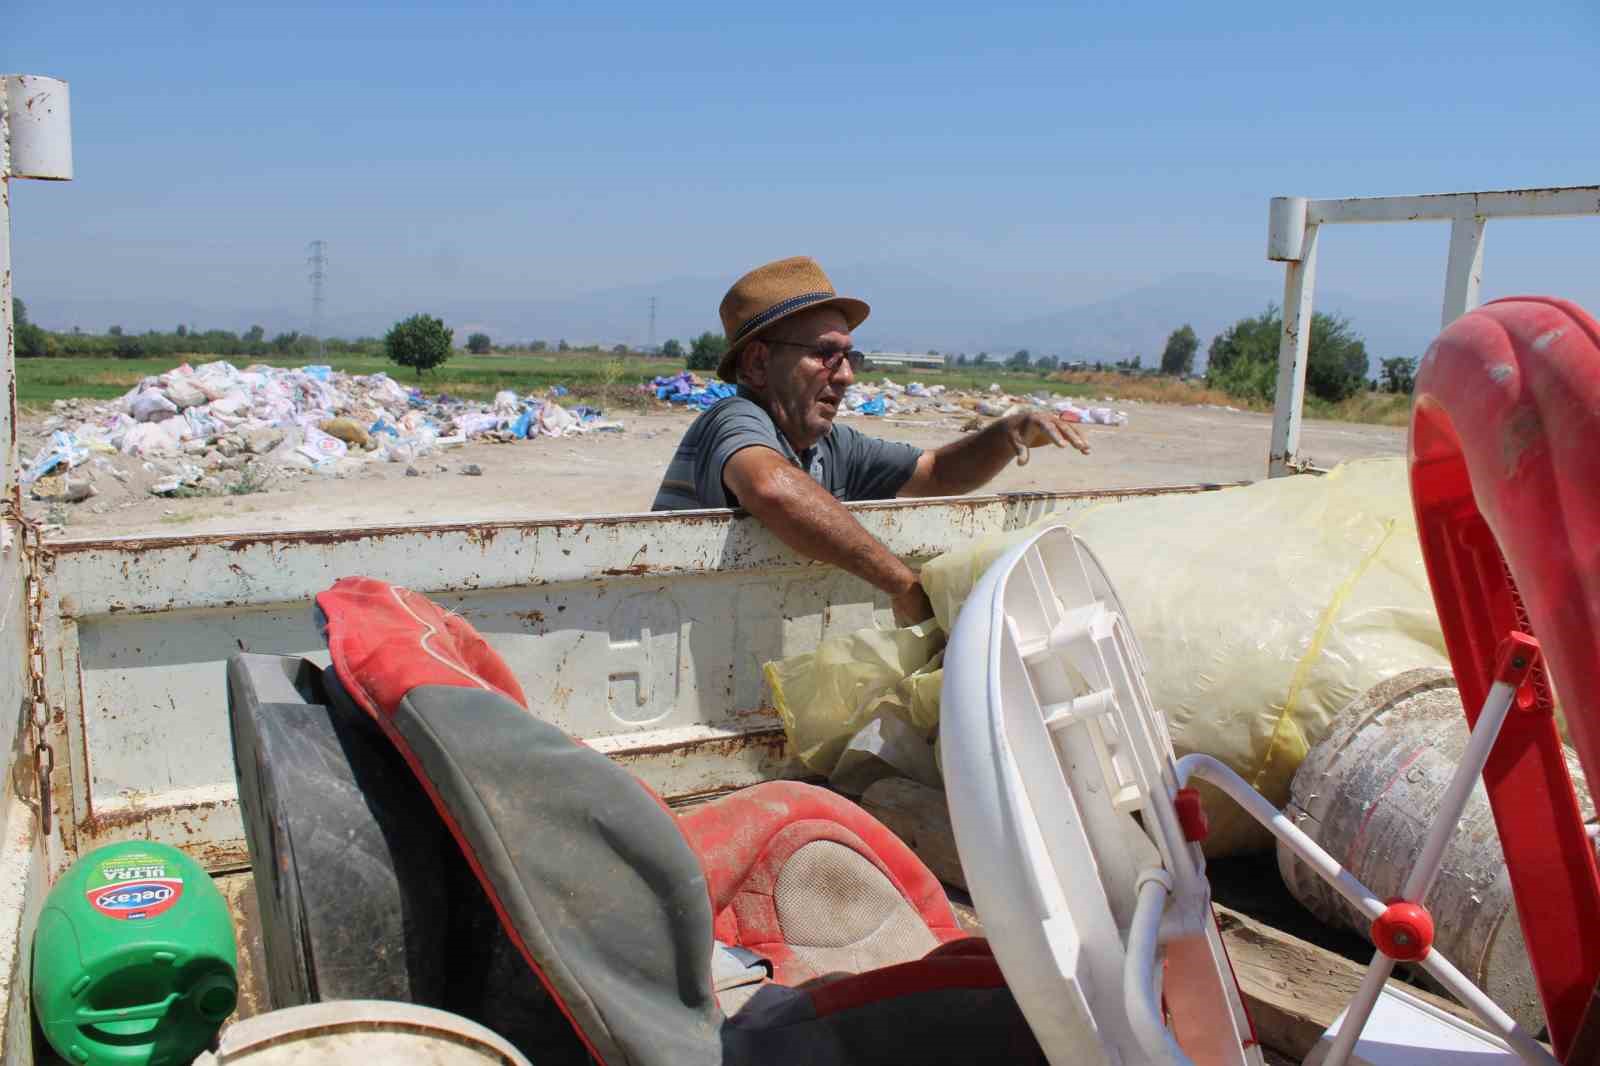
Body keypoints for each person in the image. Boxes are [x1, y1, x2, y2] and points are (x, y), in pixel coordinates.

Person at [652, 256, 1090, 624]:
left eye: (850, 356)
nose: (845, 376)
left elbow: (936, 473)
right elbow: (770, 487)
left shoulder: (834, 448)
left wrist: (1006, 433)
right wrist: (903, 584)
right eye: (825, 354)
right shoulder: (733, 419)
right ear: (758, 364)